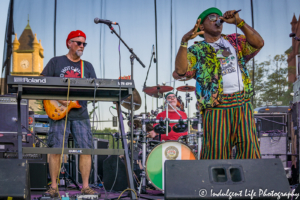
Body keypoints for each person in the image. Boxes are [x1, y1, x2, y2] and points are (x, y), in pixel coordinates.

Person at [174, 7, 264, 159]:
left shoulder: (233, 40)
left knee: (249, 146)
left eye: (219, 17)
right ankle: (216, 182)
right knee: (216, 151)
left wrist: (239, 22)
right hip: (216, 105)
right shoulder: (197, 49)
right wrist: (184, 41)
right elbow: (181, 70)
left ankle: (250, 183)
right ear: (201, 26)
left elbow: (258, 43)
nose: (218, 20)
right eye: (212, 18)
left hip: (242, 101)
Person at [41, 30, 99, 197]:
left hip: (80, 114)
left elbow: (94, 90)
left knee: (86, 149)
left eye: (84, 44)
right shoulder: (56, 62)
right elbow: (41, 83)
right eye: (78, 42)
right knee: (55, 149)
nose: (82, 46)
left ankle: (85, 186)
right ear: (69, 43)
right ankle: (54, 187)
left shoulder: (87, 67)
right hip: (59, 112)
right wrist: (60, 100)